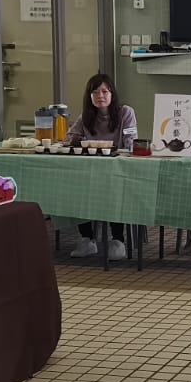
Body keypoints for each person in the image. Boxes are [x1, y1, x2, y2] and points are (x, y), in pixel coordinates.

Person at [67, 73, 137, 260]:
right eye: (95, 92)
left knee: (114, 191)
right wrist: (76, 140)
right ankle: (87, 239)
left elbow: (131, 143)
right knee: (75, 188)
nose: (100, 96)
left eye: (105, 91)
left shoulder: (125, 112)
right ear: (89, 96)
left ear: (112, 93)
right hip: (91, 171)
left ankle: (118, 240)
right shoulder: (86, 116)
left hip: (118, 170)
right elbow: (69, 138)